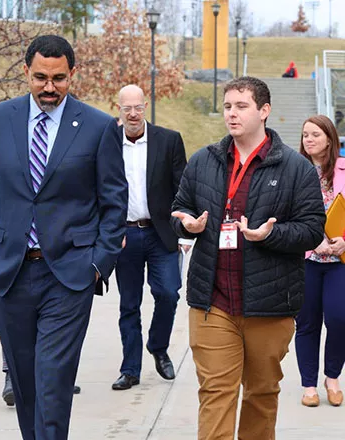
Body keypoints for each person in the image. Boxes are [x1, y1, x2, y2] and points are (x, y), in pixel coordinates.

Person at [0, 35, 128, 440]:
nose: (49, 87)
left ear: (72, 74)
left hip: (70, 275)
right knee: (25, 384)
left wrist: (98, 264)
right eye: (40, 77)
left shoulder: (97, 127)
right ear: (26, 71)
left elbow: (115, 203)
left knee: (54, 382)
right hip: (9, 273)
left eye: (59, 78)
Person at [170, 76, 326, 440]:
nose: (231, 114)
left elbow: (312, 229)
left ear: (264, 111)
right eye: (227, 106)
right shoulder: (203, 161)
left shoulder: (295, 168)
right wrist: (187, 226)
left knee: (260, 395)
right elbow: (179, 210)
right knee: (216, 393)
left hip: (269, 306)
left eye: (241, 106)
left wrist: (271, 234)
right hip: (213, 302)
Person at [111, 84, 189, 391]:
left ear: (146, 107)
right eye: (126, 108)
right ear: (118, 110)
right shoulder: (107, 144)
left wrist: (184, 231)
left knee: (168, 293)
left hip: (161, 234)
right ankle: (130, 369)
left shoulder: (168, 141)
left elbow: (182, 188)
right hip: (124, 236)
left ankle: (158, 347)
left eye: (138, 107)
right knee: (129, 304)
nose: (133, 114)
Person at [296, 115, 345, 407]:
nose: (309, 139)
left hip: (340, 261)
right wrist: (310, 239)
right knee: (307, 323)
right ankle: (309, 385)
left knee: (340, 319)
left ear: (329, 137)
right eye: (305, 135)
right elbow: (288, 214)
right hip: (306, 260)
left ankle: (332, 377)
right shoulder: (295, 171)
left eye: (315, 134)